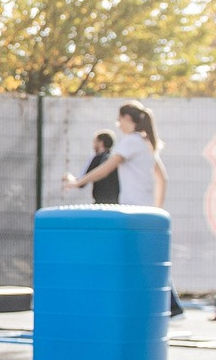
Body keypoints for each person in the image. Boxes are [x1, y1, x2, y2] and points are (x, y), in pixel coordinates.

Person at [68, 101, 180, 316]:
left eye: (119, 120)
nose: (118, 125)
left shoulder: (131, 142)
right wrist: (157, 208)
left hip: (132, 211)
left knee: (132, 257)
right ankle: (169, 306)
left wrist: (78, 182)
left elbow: (106, 168)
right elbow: (162, 178)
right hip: (145, 210)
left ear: (128, 119)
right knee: (147, 258)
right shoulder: (147, 143)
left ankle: (171, 306)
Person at [69, 131, 120, 205]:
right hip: (115, 203)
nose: (93, 145)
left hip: (100, 203)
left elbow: (82, 182)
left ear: (101, 143)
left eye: (95, 142)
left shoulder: (98, 158)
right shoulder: (114, 160)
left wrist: (70, 179)